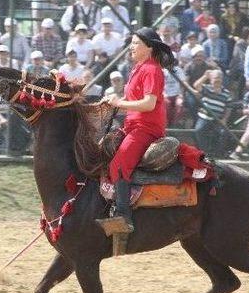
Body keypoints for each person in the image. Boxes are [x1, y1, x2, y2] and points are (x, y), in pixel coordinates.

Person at [99, 27, 175, 236]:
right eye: (131, 43)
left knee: (120, 164)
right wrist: (114, 103)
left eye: (135, 43)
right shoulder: (138, 69)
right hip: (133, 126)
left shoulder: (152, 69)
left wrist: (119, 102)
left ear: (149, 48)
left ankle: (124, 216)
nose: (130, 47)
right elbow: (133, 103)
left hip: (146, 128)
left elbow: (149, 104)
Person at [193, 69, 232, 157]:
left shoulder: (226, 93)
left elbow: (228, 108)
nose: (217, 80)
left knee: (224, 132)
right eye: (215, 78)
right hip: (204, 117)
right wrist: (205, 76)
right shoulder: (207, 88)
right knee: (199, 130)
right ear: (211, 79)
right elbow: (196, 85)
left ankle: (218, 154)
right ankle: (205, 152)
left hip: (218, 119)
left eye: (219, 78)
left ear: (222, 79)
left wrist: (225, 119)